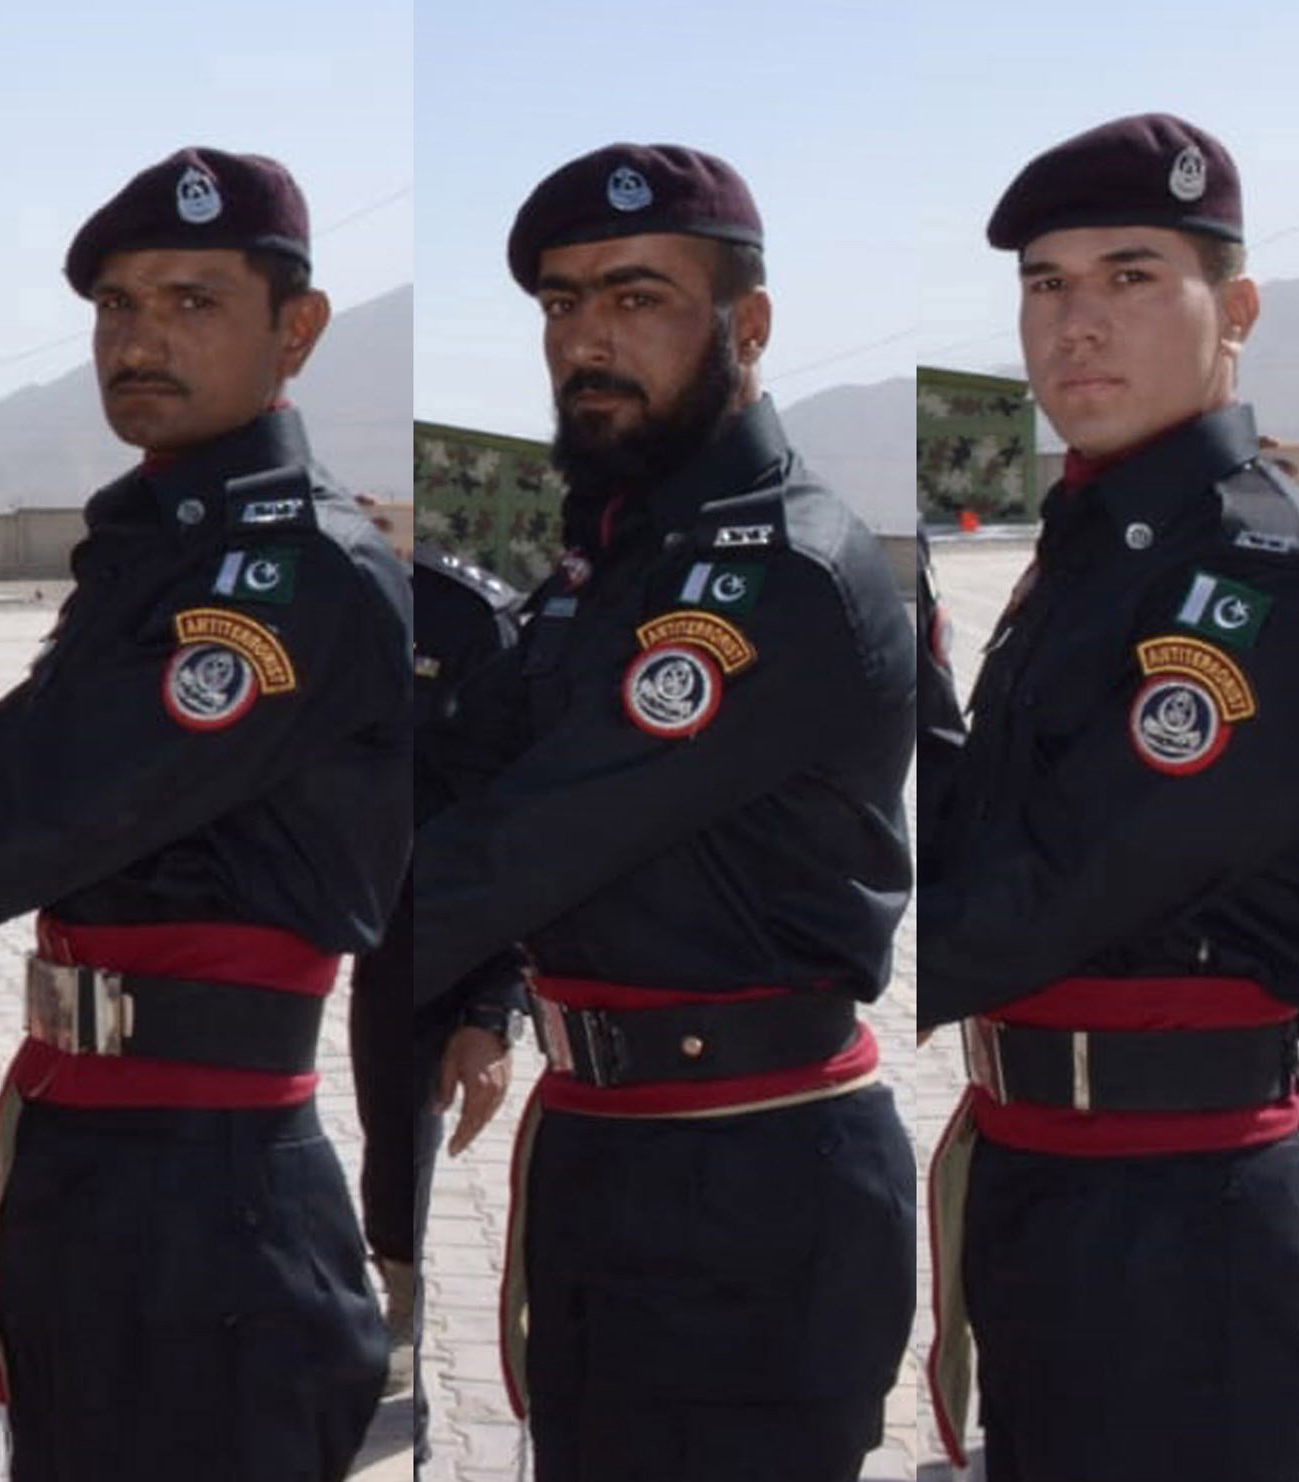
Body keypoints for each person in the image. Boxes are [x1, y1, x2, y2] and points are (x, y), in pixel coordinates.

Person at [0, 146, 409, 1481]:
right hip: (95, 1140)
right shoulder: (159, 545)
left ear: (298, 329)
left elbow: (27, 817)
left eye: (191, 301)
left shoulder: (291, 574)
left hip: (211, 1188)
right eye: (117, 306)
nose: (142, 339)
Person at [411, 143, 917, 1482]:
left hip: (751, 1179)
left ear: (746, 326)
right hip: (614, 1149)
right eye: (563, 303)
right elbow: (477, 772)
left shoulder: (774, 569)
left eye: (637, 298)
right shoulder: (616, 551)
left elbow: (531, 833)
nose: (587, 336)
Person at [919, 114, 1299, 1482]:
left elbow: (1051, 890)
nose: (1077, 323)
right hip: (1059, 1172)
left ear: (1233, 309)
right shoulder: (1103, 542)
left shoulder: (1256, 581)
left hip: (1178, 1218)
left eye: (1131, 277)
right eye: (1046, 284)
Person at [357, 545, 520, 1415]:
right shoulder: (304, 579)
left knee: (399, 1103)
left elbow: (504, 814)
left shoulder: (464, 614)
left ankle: (404, 1300)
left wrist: (493, 1002)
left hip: (424, 910)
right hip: (295, 888)